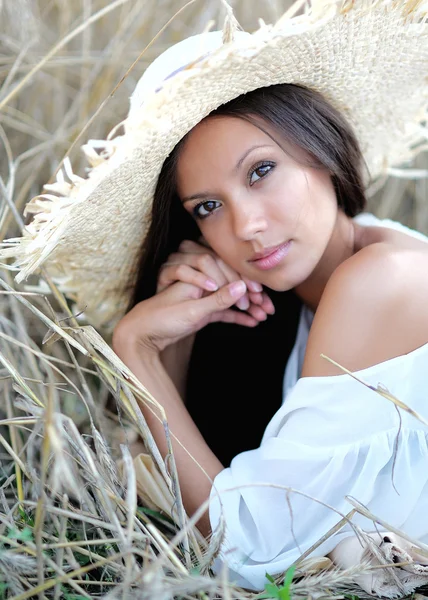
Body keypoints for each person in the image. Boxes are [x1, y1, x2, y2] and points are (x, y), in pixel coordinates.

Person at [2, 0, 428, 596]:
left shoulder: (382, 281)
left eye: (260, 171)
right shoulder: (309, 294)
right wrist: (174, 332)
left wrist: (137, 350)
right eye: (208, 206)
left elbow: (245, 544)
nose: (246, 225)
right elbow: (185, 470)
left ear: (322, 149)